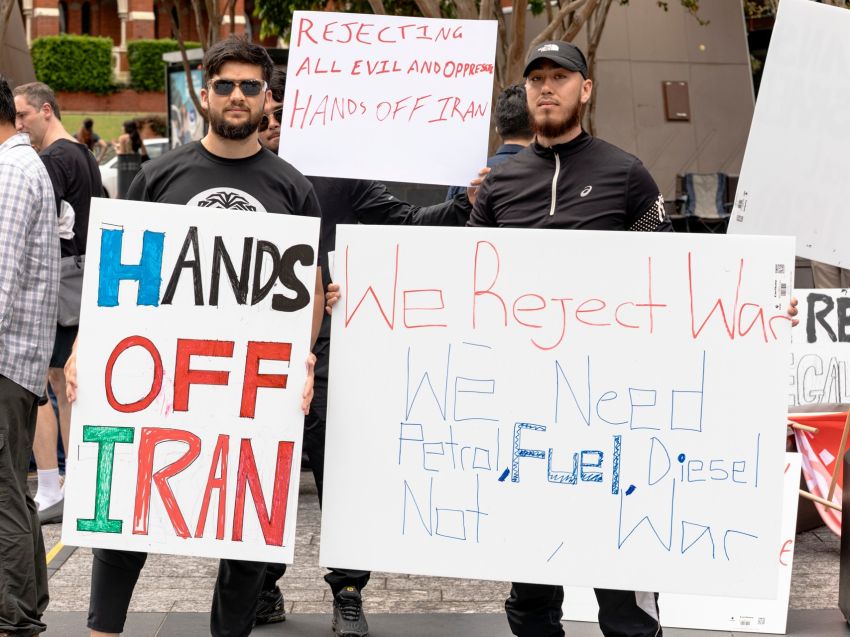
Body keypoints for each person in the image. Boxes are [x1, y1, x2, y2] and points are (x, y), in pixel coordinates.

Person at [79, 36, 325, 637]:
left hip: (250, 385)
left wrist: (305, 358)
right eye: (225, 85)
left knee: (245, 528)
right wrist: (90, 343)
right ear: (204, 93)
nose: (236, 96)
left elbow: (313, 285)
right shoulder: (160, 176)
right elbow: (120, 272)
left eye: (249, 86)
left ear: (268, 98)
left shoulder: (293, 188)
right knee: (128, 511)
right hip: (161, 377)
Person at [255, 67, 474, 637]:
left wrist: (462, 204)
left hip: (326, 350)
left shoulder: (337, 178)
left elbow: (403, 220)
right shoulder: (233, 178)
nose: (275, 123)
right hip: (249, 353)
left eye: (285, 114)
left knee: (337, 470)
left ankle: (348, 591)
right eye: (269, 112)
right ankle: (256, 584)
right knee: (258, 468)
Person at [468, 41, 670, 637]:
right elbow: (468, 284)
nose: (547, 88)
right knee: (530, 596)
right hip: (523, 411)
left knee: (624, 597)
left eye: (561, 77)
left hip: (611, 410)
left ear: (587, 89)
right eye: (537, 80)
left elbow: (677, 283)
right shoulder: (497, 187)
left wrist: (763, 307)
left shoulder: (628, 174)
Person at [13, 81, 102, 525]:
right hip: (83, 281)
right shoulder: (83, 153)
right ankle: (74, 484)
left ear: (45, 111)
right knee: (67, 388)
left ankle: (51, 486)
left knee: (42, 387)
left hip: (59, 282)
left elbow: (36, 222)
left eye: (23, 115)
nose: (19, 123)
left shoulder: (51, 159)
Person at [0, 74, 58, 637]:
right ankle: (26, 602)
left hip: (4, 360)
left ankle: (11, 612)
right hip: (16, 359)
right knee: (11, 487)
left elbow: (0, 276)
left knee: (2, 493)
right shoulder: (20, 167)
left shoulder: (10, 173)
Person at [446, 83, 533, 200]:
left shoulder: (467, 176)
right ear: (537, 126)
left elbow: (449, 216)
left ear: (497, 128)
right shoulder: (548, 176)